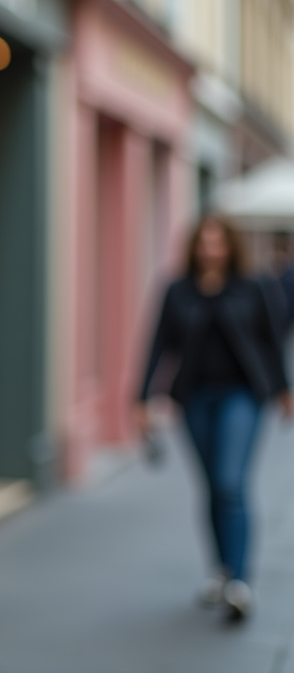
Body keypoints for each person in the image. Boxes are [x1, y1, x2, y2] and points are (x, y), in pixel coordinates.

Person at [138, 215, 293, 623]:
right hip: (195, 399)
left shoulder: (254, 287)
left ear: (230, 246)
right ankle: (221, 571)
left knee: (230, 482)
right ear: (194, 247)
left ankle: (240, 581)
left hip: (242, 396)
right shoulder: (177, 291)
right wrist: (141, 398)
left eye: (218, 242)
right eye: (203, 242)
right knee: (212, 487)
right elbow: (157, 344)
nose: (211, 250)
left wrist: (284, 389)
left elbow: (272, 340)